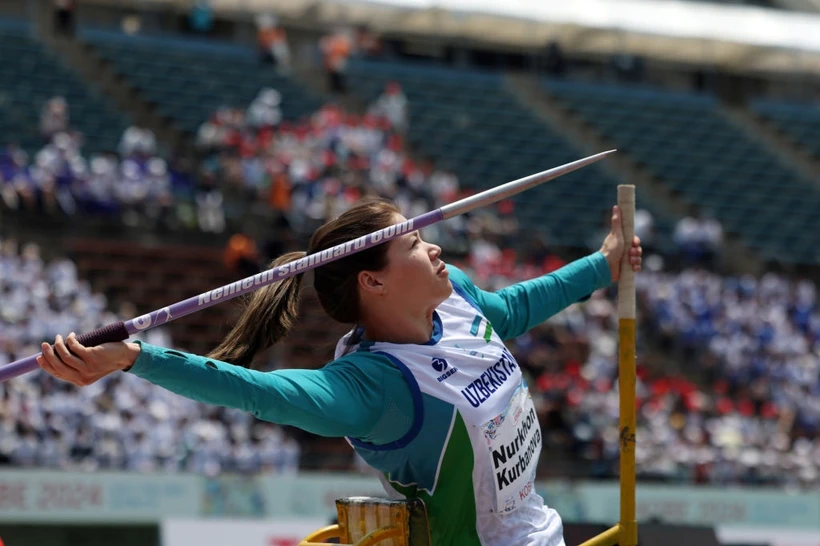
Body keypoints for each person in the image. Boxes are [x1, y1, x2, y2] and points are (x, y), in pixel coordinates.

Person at [37, 198, 642, 546]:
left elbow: (517, 305)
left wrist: (604, 263)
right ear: (372, 281)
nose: (434, 247)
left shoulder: (453, 294)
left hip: (543, 532)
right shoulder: (374, 388)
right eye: (413, 243)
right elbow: (258, 391)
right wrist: (136, 357)